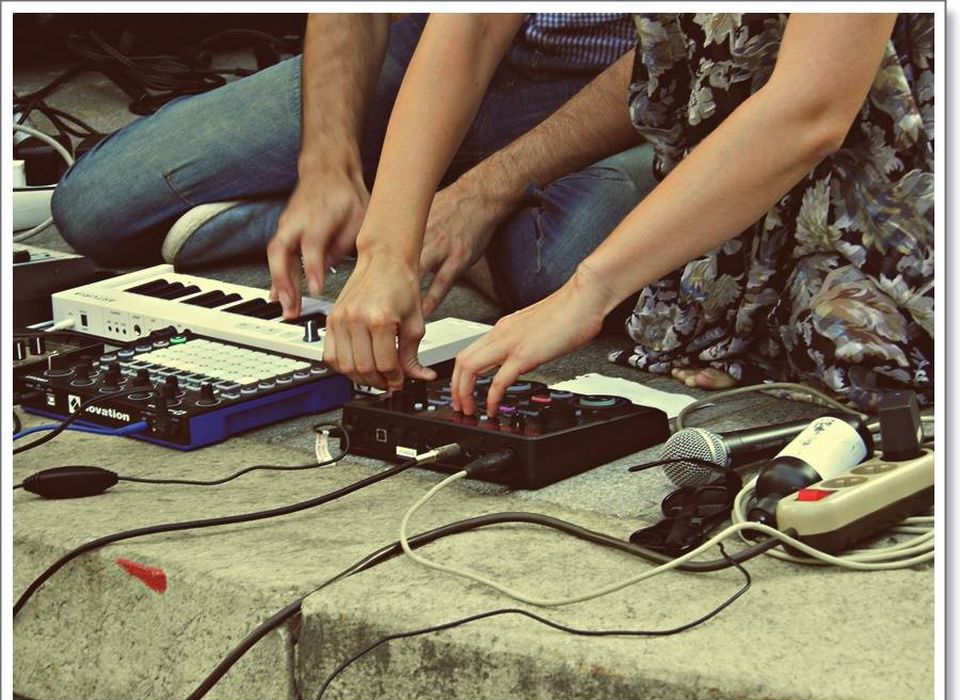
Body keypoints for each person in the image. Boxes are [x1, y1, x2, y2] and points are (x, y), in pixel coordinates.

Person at [327, 13, 933, 417]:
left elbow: (813, 106)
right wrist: (386, 252)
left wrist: (585, 293)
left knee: (859, 351)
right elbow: (477, 22)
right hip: (735, 162)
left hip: (893, 173)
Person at [51, 13, 652, 325]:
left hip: (622, 90)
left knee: (565, 271)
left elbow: (671, 66)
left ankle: (404, 203)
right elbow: (470, 26)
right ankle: (383, 200)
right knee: (96, 205)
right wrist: (324, 163)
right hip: (444, 43)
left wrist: (481, 193)